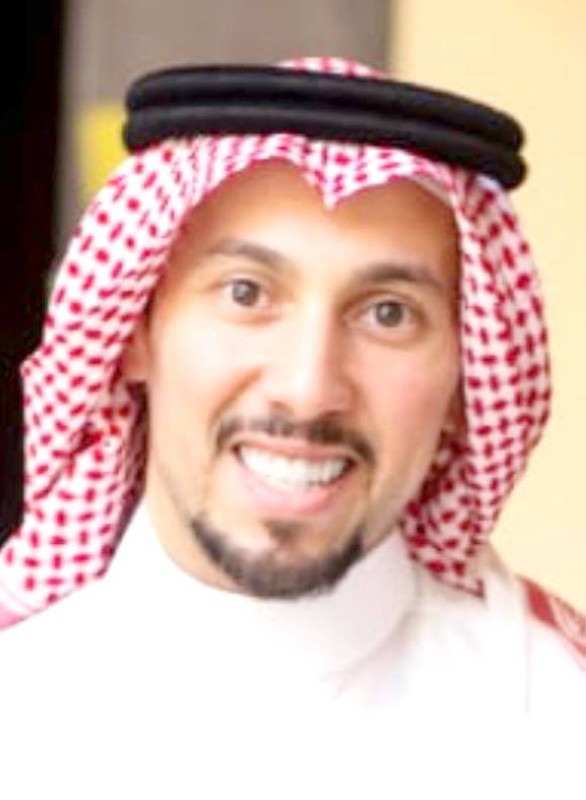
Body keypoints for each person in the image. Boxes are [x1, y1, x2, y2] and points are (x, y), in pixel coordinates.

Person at [0, 56, 583, 798]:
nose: (308, 391)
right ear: (135, 334)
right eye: (246, 294)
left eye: (389, 314)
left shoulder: (557, 719)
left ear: (465, 377)